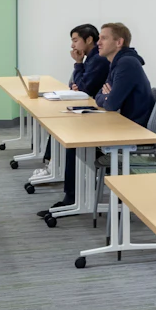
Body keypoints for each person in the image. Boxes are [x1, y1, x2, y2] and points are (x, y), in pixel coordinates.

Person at [53, 23, 108, 209]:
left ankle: (72, 196)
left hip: (108, 118)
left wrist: (77, 65)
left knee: (72, 139)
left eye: (75, 40)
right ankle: (71, 191)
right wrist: (79, 78)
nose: (72, 46)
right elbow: (76, 86)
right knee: (64, 132)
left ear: (89, 39)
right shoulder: (91, 59)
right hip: (100, 111)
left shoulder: (98, 60)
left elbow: (84, 89)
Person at [92, 21, 155, 126]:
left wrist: (108, 96)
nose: (98, 43)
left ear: (119, 42)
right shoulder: (117, 62)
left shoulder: (126, 63)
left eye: (104, 38)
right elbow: (98, 96)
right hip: (126, 123)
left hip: (135, 128)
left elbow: (111, 104)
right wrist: (107, 96)